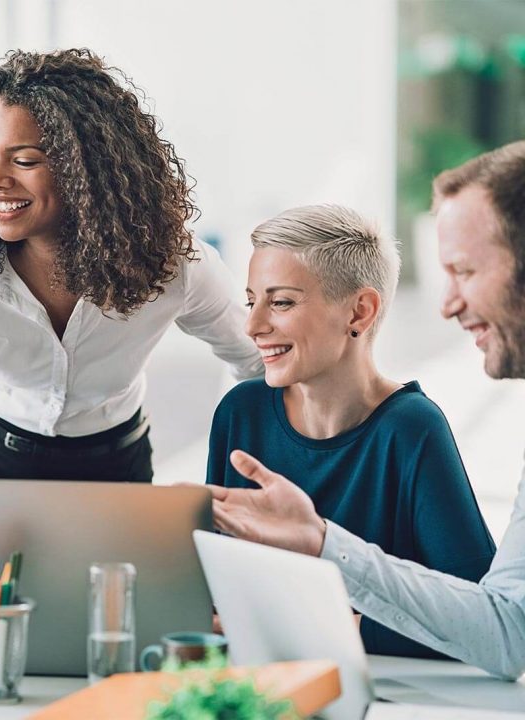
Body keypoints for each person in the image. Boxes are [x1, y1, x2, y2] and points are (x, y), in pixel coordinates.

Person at [209, 141, 525, 679]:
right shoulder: (242, 412)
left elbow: (489, 624)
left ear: (360, 310)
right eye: (251, 300)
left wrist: (322, 584)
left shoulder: (411, 425)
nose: (446, 304)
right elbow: (506, 629)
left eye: (465, 270)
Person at [0, 48, 263, 481]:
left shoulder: (174, 264)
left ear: (83, 170)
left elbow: (257, 365)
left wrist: (237, 457)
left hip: (116, 465)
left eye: (24, 160)